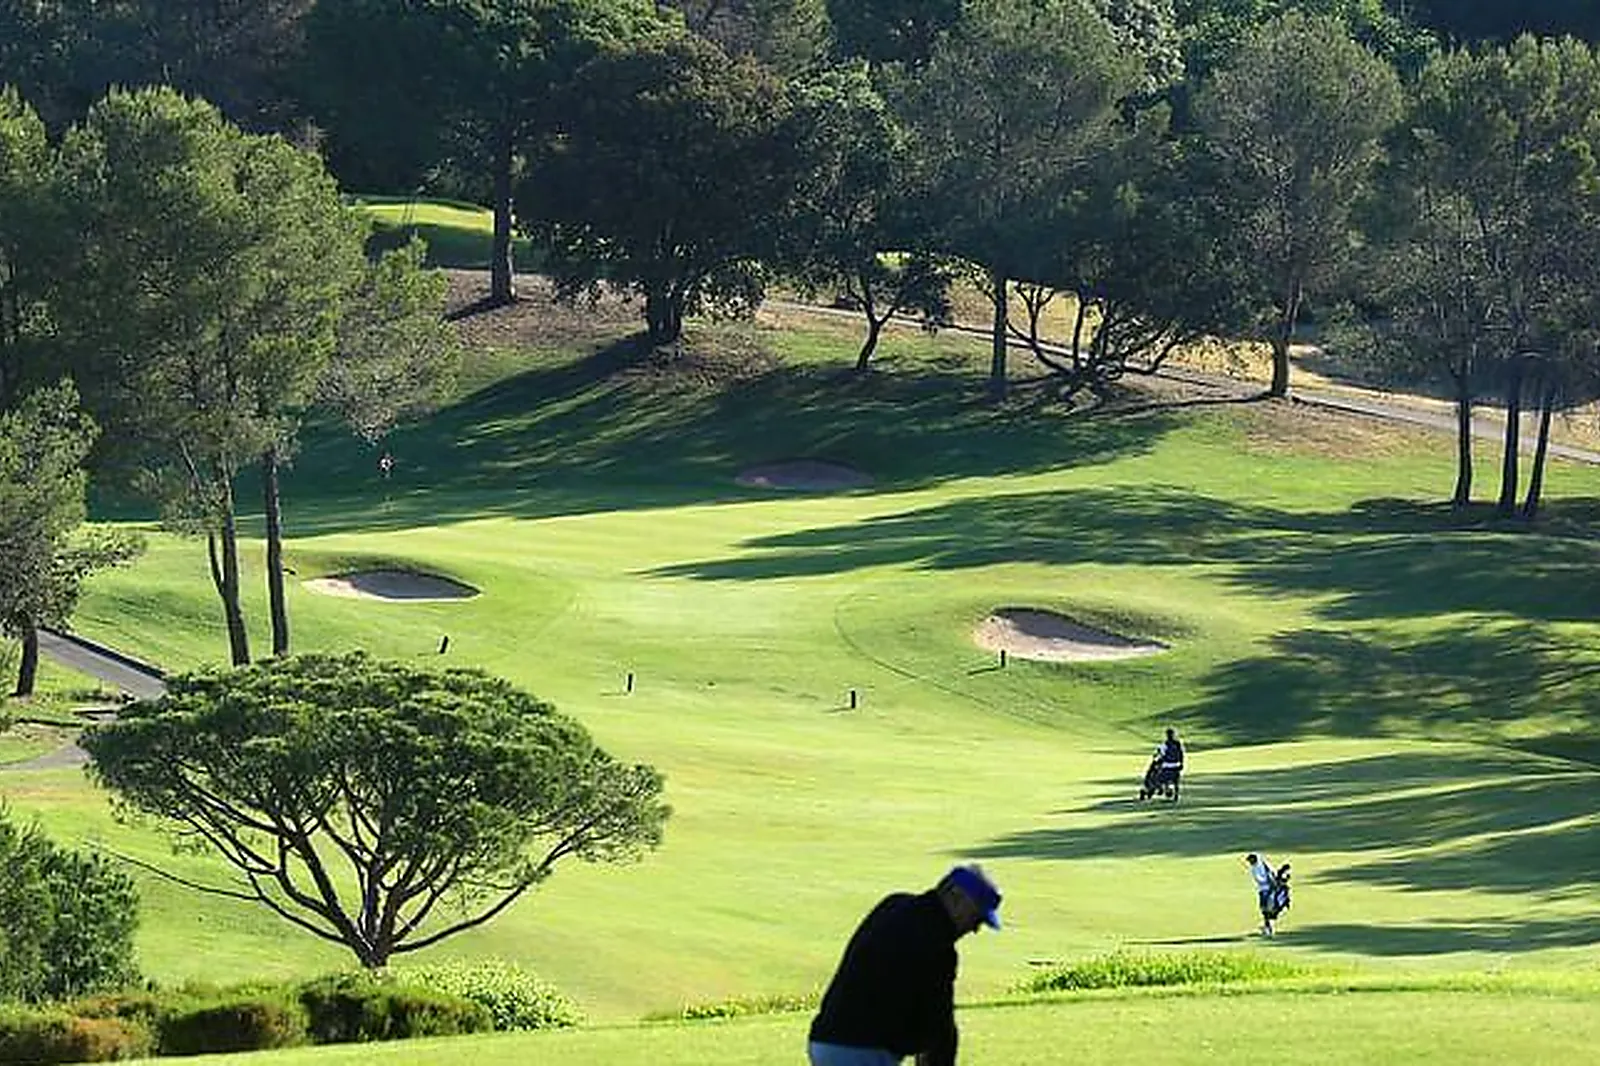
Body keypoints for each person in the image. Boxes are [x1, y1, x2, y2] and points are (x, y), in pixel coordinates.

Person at [807, 864, 1002, 1066]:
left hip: (824, 1040)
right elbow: (939, 1029)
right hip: (863, 1050)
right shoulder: (938, 945)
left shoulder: (894, 904)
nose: (975, 928)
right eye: (976, 917)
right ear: (955, 897)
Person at [1245, 853, 1283, 937]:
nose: (1249, 862)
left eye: (1250, 860)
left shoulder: (1257, 867)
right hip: (1265, 889)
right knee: (1265, 909)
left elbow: (1263, 879)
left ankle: (1268, 928)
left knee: (1265, 909)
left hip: (1265, 890)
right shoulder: (1260, 865)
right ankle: (1268, 926)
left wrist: (1270, 885)